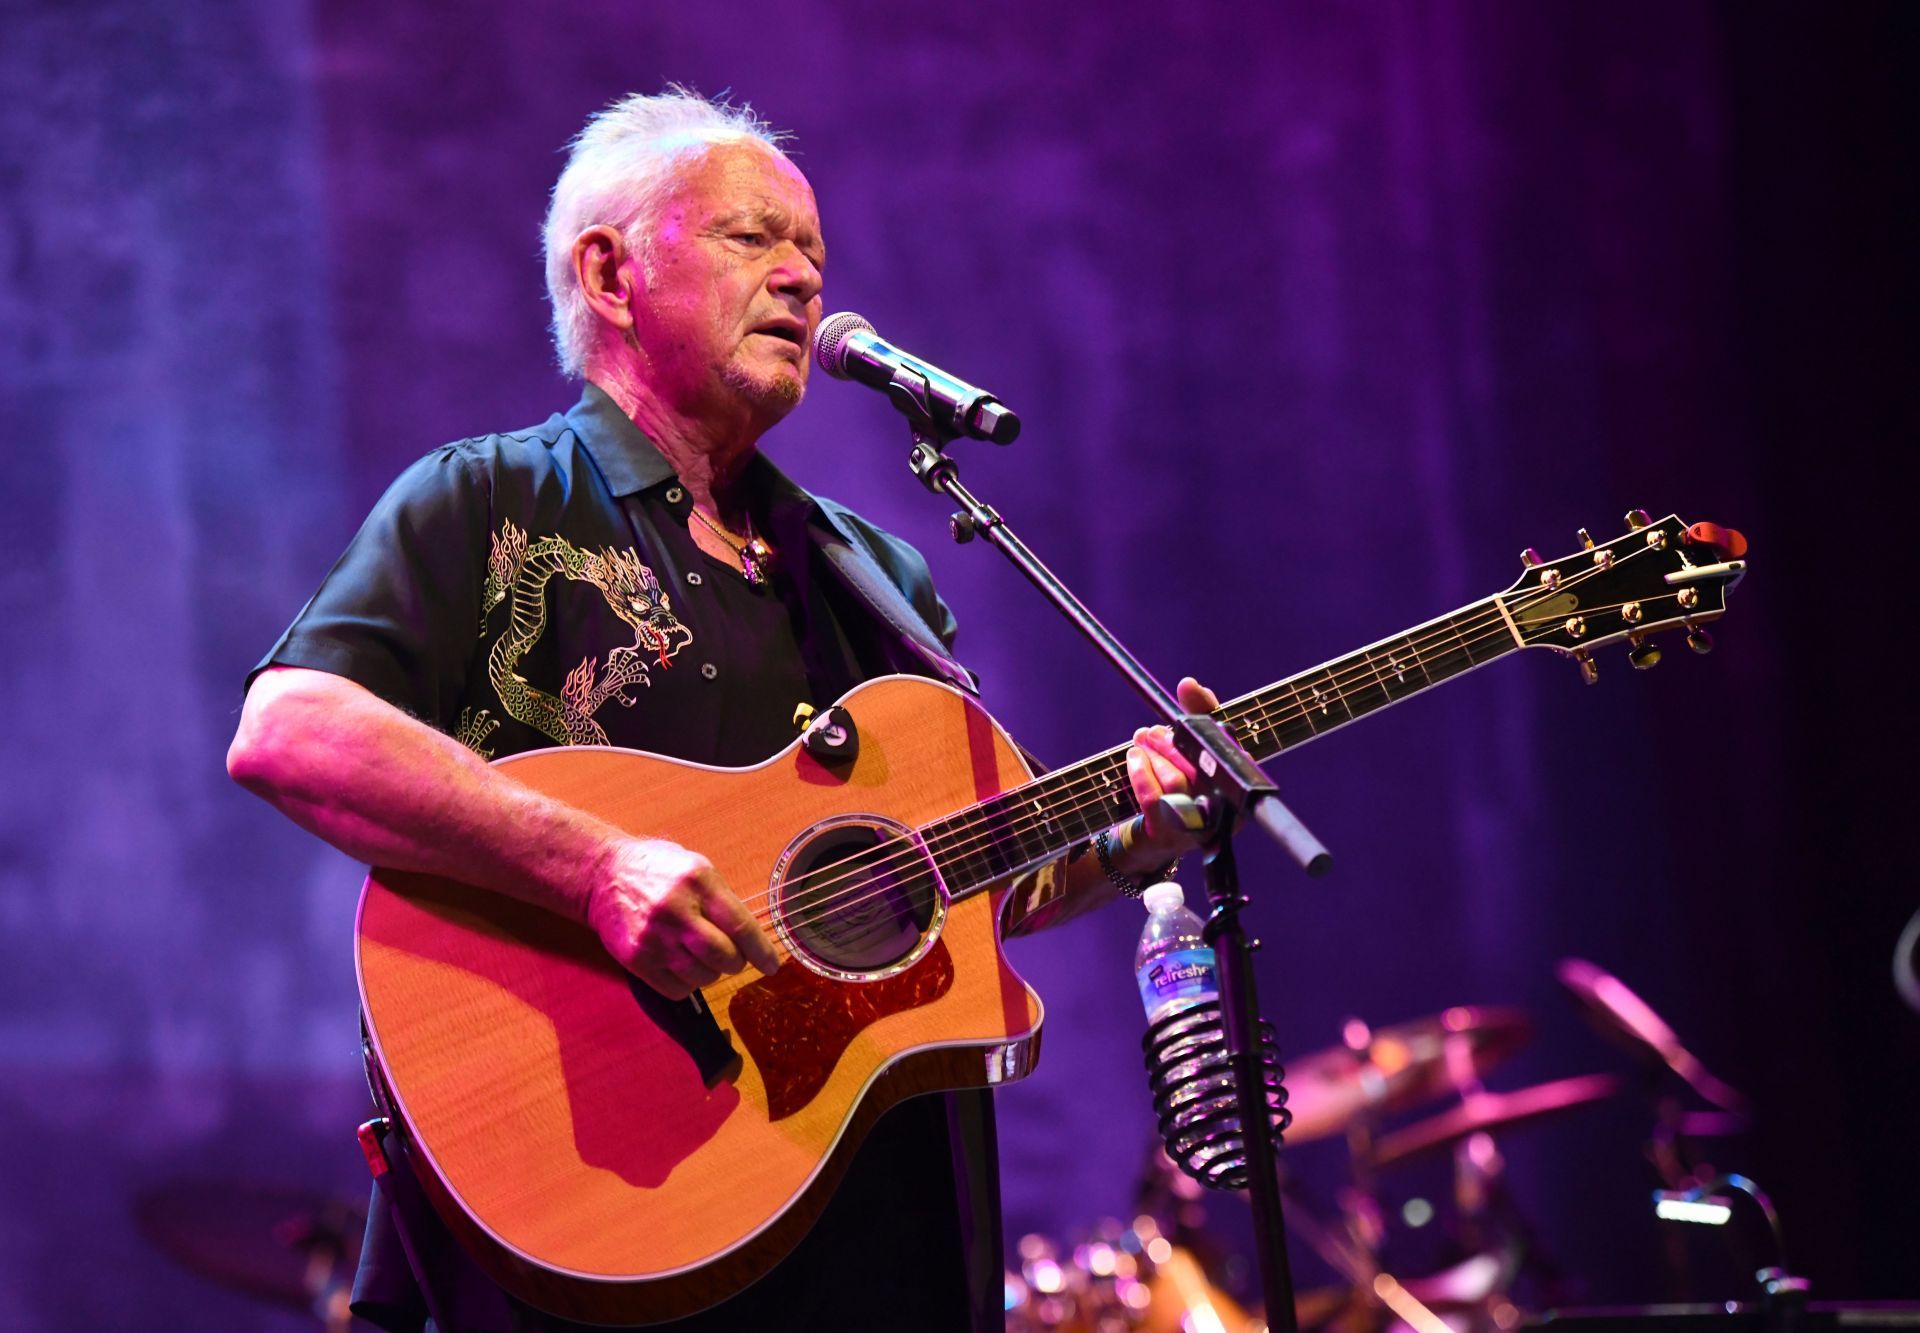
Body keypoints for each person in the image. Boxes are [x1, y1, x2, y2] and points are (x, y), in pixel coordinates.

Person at [228, 88, 1217, 1332]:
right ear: (609, 271)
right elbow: (292, 730)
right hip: (589, 1205)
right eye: (757, 239)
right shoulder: (488, 499)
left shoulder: (872, 573)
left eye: (815, 252)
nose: (805, 279)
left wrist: (1137, 836)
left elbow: (968, 881)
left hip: (870, 1227)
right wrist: (594, 865)